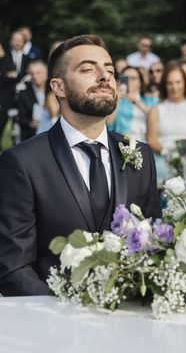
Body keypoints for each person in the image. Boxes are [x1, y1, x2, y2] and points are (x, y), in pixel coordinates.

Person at [0, 35, 160, 296]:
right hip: (55, 325)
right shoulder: (23, 162)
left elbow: (154, 244)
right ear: (59, 87)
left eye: (109, 70)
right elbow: (13, 267)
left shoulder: (140, 155)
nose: (104, 77)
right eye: (88, 69)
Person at [146, 63, 186, 186]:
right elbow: (152, 140)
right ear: (165, 85)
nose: (174, 87)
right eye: (170, 83)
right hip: (163, 158)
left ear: (184, 83)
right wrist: (171, 156)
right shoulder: (156, 110)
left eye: (178, 82)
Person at [108, 66, 159, 142]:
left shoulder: (151, 100)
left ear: (140, 82)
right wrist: (117, 99)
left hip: (146, 143)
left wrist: (138, 103)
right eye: (125, 78)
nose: (129, 81)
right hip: (123, 144)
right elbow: (109, 124)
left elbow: (159, 121)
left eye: (133, 78)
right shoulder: (116, 100)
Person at [0, 30, 30, 140]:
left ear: (24, 42)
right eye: (15, 40)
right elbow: (3, 76)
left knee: (21, 127)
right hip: (5, 98)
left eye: (19, 40)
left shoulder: (28, 58)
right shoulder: (3, 57)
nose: (17, 43)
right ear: (11, 41)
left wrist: (13, 75)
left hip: (22, 99)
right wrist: (18, 75)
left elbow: (28, 77)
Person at [16, 60, 47, 141]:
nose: (35, 76)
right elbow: (21, 118)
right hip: (33, 135)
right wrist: (31, 123)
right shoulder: (24, 94)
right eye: (32, 73)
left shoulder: (54, 91)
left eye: (38, 73)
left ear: (46, 73)